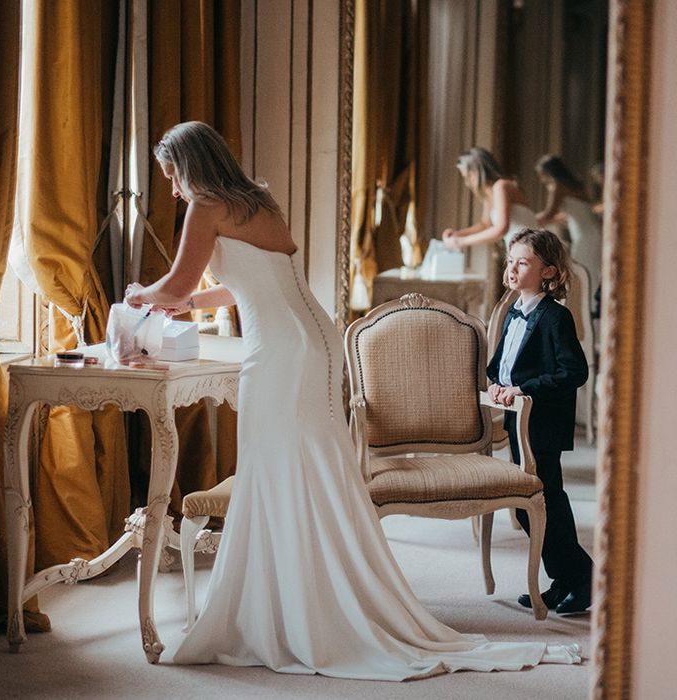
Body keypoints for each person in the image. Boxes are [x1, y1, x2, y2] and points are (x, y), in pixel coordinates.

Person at [126, 121, 581, 680]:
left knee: (276, 469)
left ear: (189, 166)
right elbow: (256, 279)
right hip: (316, 340)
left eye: (172, 175)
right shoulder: (256, 199)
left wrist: (141, 296)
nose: (172, 189)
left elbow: (172, 286)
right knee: (307, 469)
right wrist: (192, 301)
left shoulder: (204, 205)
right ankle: (297, 600)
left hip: (278, 353)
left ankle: (287, 611)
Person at [487, 228, 594, 615]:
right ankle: (568, 577)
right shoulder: (516, 311)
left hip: (543, 424)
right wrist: (499, 385)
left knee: (543, 502)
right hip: (518, 424)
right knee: (527, 505)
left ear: (548, 271)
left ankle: (579, 576)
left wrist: (524, 388)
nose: (513, 268)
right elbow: (500, 366)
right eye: (510, 260)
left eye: (524, 262)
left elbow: (574, 371)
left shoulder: (554, 317)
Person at [442, 147, 538, 252]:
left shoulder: (501, 186)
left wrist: (461, 241)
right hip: (518, 250)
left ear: (477, 172)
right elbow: (485, 225)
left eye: (468, 177)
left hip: (531, 248)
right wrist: (458, 234)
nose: (467, 183)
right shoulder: (489, 195)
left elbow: (501, 228)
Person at [535, 154, 603, 300]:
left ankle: (587, 308)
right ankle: (592, 309)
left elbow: (549, 213)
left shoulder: (558, 187)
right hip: (592, 233)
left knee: (584, 272)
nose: (541, 179)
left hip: (585, 237)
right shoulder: (576, 185)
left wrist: (531, 220)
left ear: (548, 172)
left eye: (542, 174)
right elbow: (573, 214)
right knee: (591, 271)